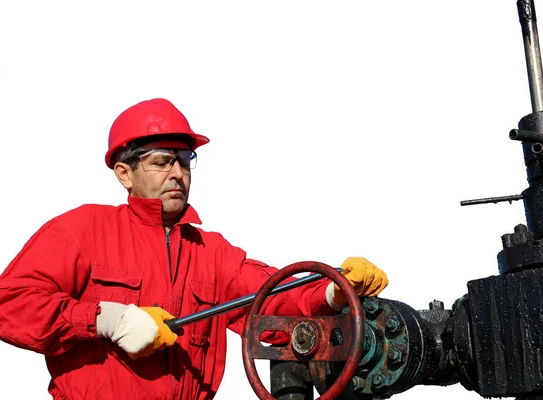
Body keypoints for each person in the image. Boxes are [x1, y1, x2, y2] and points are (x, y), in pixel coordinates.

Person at [0, 98, 388, 400]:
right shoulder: (81, 230)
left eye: (185, 162)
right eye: (162, 162)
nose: (178, 174)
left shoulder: (211, 252)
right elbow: (9, 304)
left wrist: (331, 291)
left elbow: (269, 299)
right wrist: (105, 319)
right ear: (124, 173)